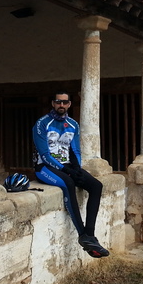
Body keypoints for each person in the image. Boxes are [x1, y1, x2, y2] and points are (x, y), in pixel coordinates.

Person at [32, 92, 109, 258]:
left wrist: (77, 168)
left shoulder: (73, 124)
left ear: (69, 104)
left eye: (64, 102)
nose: (61, 105)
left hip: (67, 165)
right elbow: (44, 154)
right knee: (69, 183)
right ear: (53, 103)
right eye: (58, 102)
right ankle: (82, 235)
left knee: (96, 186)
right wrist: (66, 170)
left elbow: (75, 150)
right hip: (44, 168)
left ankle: (90, 235)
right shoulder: (42, 123)